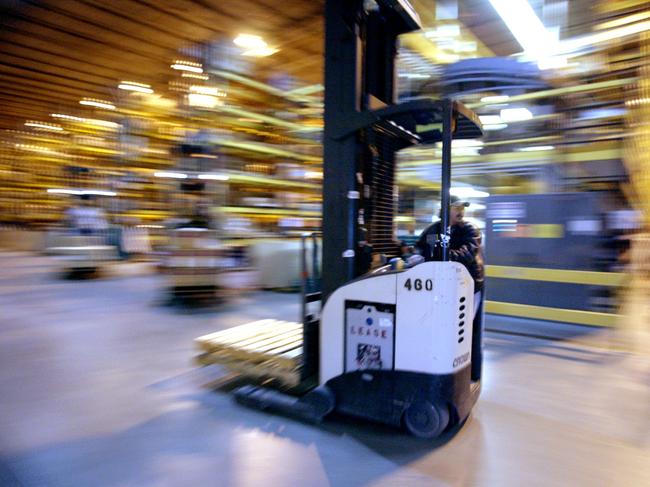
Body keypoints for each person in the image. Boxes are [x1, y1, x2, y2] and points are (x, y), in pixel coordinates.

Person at [415, 195, 484, 318]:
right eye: (457, 207)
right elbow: (422, 250)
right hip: (441, 287)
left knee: (463, 325)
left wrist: (437, 254)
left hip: (466, 287)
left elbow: (466, 255)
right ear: (445, 209)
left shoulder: (469, 230)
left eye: (462, 208)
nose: (461, 211)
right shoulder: (434, 229)